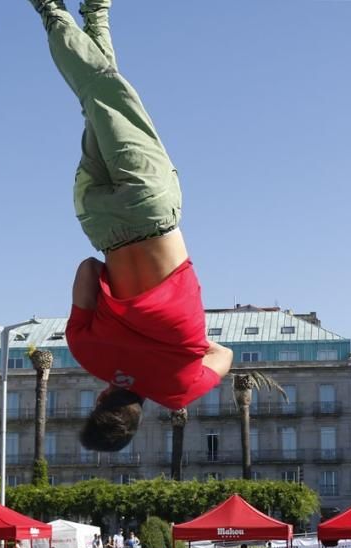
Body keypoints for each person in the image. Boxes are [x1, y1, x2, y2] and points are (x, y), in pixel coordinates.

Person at [27, 0, 234, 452]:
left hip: (152, 209)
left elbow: (225, 355)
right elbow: (87, 270)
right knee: (99, 102)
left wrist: (180, 341)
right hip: (100, 222)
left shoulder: (181, 389)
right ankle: (95, 15)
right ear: (99, 401)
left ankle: (50, 11)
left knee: (105, 95)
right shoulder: (89, 354)